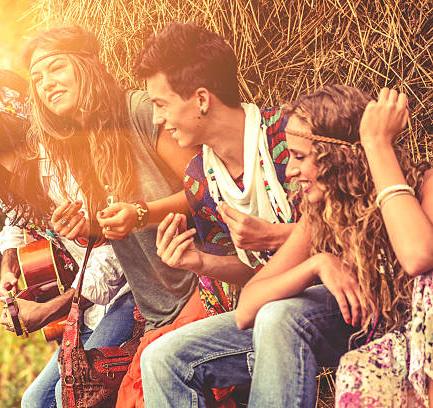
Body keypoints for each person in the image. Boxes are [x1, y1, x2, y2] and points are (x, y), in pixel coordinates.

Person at [22, 25, 202, 407]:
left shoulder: (139, 111)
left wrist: (140, 213)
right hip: (158, 311)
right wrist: (89, 228)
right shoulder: (83, 148)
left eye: (56, 68)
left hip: (202, 289)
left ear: (86, 65)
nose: (46, 83)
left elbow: (207, 189)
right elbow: (125, 229)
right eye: (37, 78)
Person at [130, 22, 300, 408]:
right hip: (266, 301)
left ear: (201, 99)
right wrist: (201, 262)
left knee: (275, 317)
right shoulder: (199, 182)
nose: (157, 119)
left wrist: (275, 237)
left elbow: (348, 230)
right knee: (160, 359)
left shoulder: (289, 134)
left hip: (329, 293)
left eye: (161, 104)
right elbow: (251, 270)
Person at [234, 85, 433, 407]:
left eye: (300, 156)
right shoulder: (327, 211)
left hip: (422, 346)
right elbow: (246, 310)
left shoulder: (424, 184)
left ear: (341, 156)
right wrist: (317, 263)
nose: (290, 170)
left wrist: (376, 144)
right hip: (376, 340)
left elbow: (417, 256)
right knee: (275, 315)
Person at [0, 67, 136, 408]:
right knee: (34, 402)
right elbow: (14, 222)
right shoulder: (10, 178)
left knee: (70, 396)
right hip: (89, 306)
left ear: (7, 115)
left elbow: (115, 252)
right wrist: (9, 264)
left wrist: (52, 307)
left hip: (128, 295)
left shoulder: (60, 170)